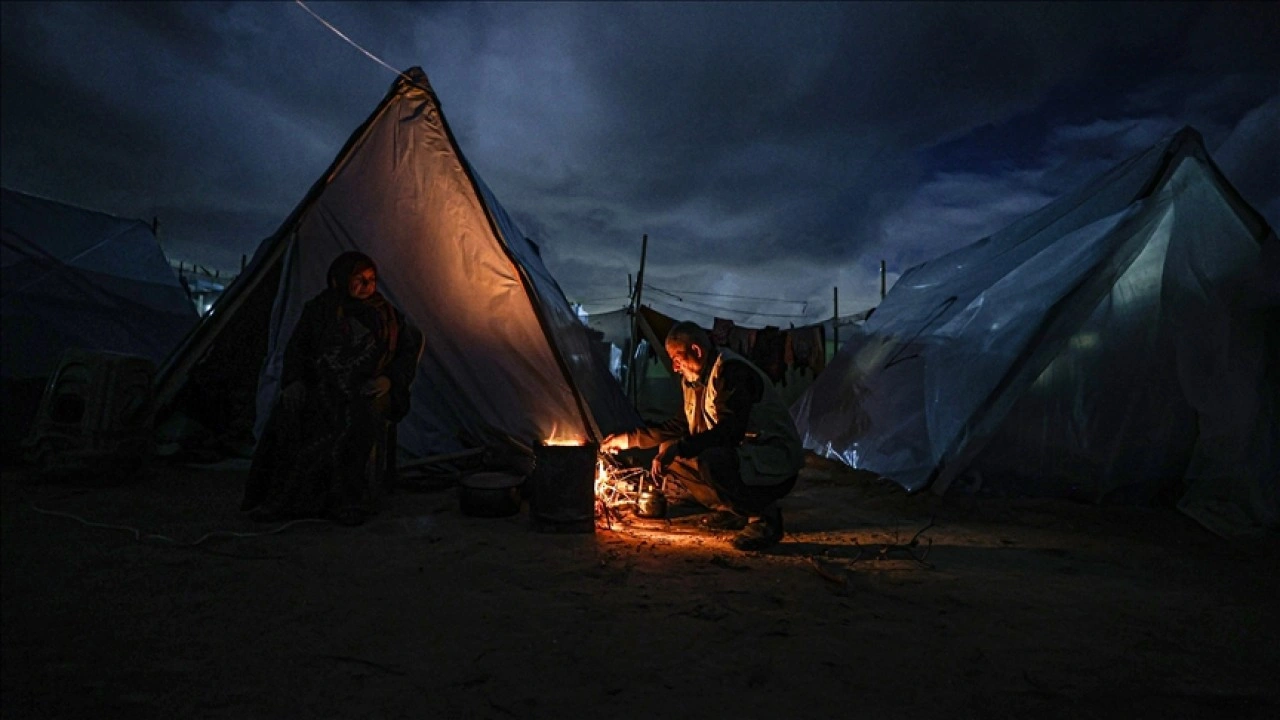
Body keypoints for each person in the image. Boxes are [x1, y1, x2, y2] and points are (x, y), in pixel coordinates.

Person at [242, 251, 423, 526]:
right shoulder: (319, 310)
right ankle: (282, 498)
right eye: (359, 279)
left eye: (371, 279)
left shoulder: (386, 315)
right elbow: (297, 349)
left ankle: (346, 500)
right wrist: (294, 381)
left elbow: (404, 356)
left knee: (357, 421)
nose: (367, 285)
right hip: (322, 384)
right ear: (341, 280)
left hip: (366, 387)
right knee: (289, 414)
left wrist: (389, 380)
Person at [601, 321, 804, 550]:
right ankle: (733, 510)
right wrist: (628, 439)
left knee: (712, 460)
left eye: (677, 359)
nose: (675, 368)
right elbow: (676, 427)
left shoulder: (732, 372)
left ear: (696, 351)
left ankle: (765, 518)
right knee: (672, 456)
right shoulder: (694, 381)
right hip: (745, 456)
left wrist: (680, 447)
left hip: (772, 458)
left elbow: (729, 431)